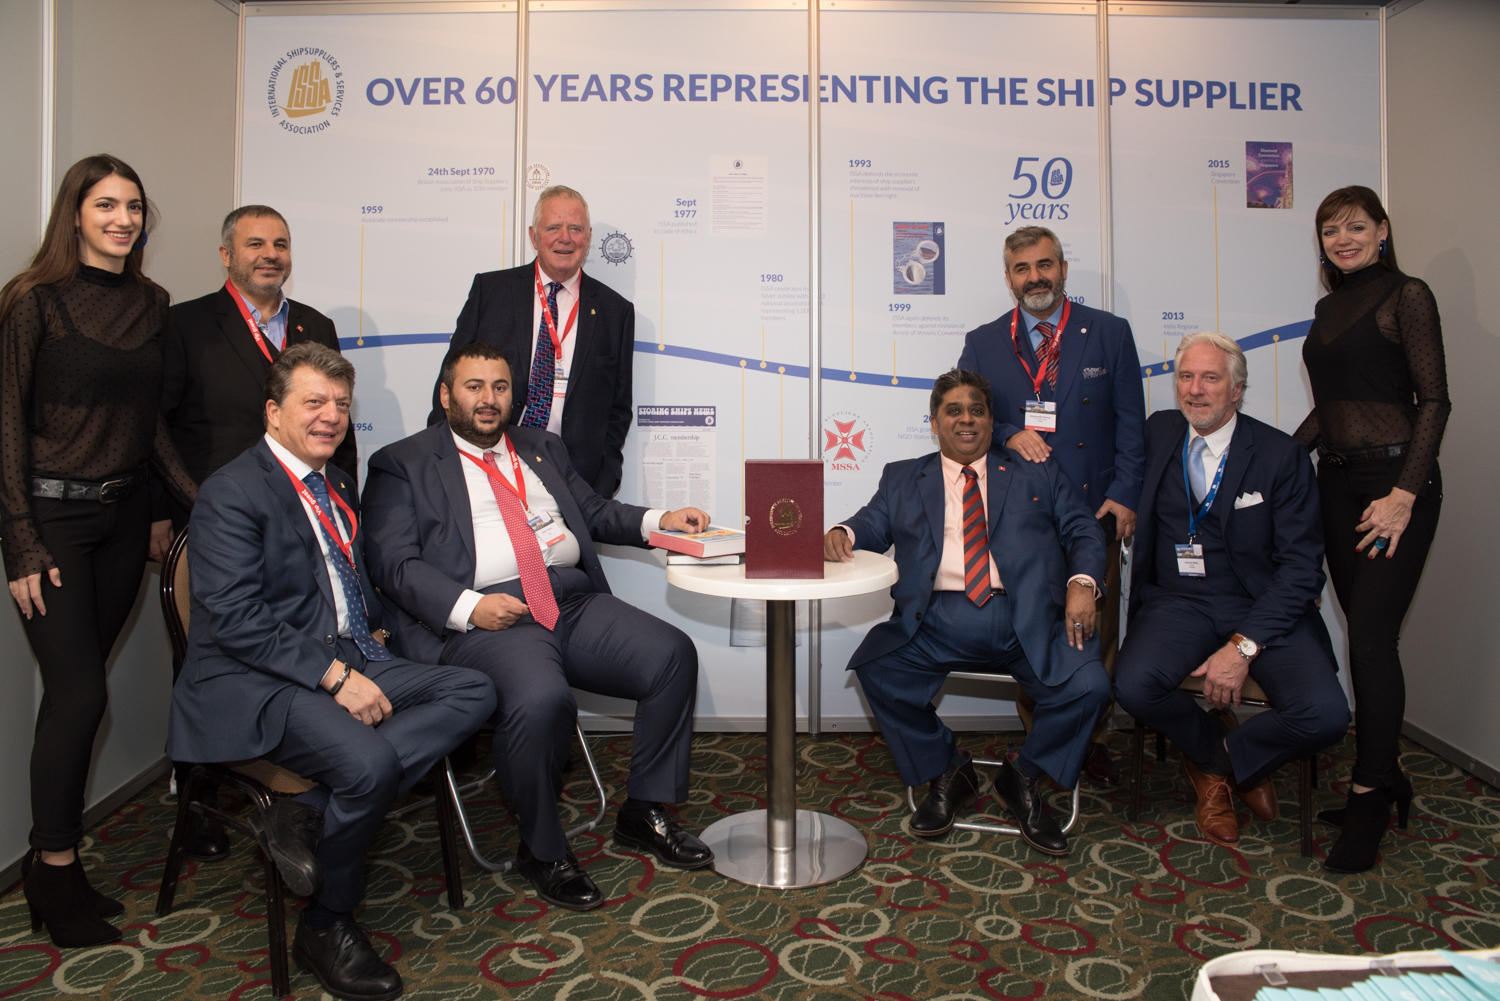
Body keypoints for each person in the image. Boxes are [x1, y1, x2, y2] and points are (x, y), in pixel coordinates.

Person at [166, 343, 493, 1000]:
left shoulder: (335, 483)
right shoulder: (232, 491)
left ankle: (309, 811)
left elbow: (343, 576)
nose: (331, 416)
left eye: (341, 403)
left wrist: (369, 631)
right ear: (273, 411)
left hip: (343, 655)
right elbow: (233, 618)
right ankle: (326, 923)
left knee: (474, 688)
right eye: (314, 401)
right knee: (368, 766)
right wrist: (336, 677)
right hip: (255, 679)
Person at [366, 342, 712, 910]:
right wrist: (468, 606)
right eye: (474, 386)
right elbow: (393, 564)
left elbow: (592, 512)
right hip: (488, 618)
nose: (488, 399)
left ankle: (643, 809)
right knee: (542, 698)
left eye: (500, 387)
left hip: (568, 599)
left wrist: (660, 520)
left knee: (670, 654)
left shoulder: (540, 446)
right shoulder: (402, 463)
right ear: (446, 395)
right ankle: (543, 849)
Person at [1, 154, 198, 947]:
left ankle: (58, 861)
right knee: (80, 693)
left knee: (79, 694)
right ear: (75, 214)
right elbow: (6, 422)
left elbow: (149, 426)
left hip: (124, 521)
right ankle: (52, 865)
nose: (123, 219)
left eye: (134, 206)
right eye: (106, 205)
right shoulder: (34, 300)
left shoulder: (152, 303)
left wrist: (201, 503)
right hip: (52, 521)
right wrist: (19, 539)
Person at [825, 368, 1108, 857]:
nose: (966, 420)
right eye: (953, 411)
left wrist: (1082, 582)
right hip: (936, 620)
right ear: (934, 422)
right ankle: (947, 768)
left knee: (1091, 687)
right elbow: (870, 523)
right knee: (877, 668)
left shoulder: (1035, 470)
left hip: (1028, 620)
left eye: (977, 410)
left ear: (992, 421)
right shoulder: (902, 476)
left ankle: (1023, 777)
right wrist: (842, 533)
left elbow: (1082, 529)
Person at [151, 203, 358, 865]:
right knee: (212, 646)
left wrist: (346, 509)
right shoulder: (186, 323)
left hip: (304, 509)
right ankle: (200, 795)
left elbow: (333, 424)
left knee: (304, 626)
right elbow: (158, 424)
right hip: (215, 507)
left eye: (281, 244)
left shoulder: (314, 325)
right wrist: (176, 507)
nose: (270, 254)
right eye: (255, 244)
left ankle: (305, 774)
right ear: (226, 255)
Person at [1114, 332, 1349, 848]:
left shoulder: (1281, 455)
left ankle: (1217, 766)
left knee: (1326, 715)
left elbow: (1301, 569)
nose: (1195, 389)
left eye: (1210, 378)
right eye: (1186, 377)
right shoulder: (1159, 432)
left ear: (1237, 390)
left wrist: (1242, 647)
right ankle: (1226, 751)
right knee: (1132, 685)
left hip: (1261, 606)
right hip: (1178, 603)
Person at [1294, 186, 1449, 873]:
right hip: (1336, 483)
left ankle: (1368, 798)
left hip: (1393, 484)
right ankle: (1386, 774)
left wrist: (1404, 495)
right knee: (1363, 634)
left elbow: (1434, 400)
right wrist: (1274, 460)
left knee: (1373, 640)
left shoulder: (1408, 294)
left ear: (1382, 230)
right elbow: (1331, 408)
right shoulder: (1328, 308)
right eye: (1331, 230)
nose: (1343, 239)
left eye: (1356, 226)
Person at [957, 226, 1145, 788]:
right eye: (1022, 268)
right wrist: (1007, 432)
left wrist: (1126, 492)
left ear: (1063, 268)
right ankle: (1041, 738)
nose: (1034, 277)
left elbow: (1131, 421)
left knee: (1096, 629)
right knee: (1033, 627)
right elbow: (964, 414)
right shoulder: (984, 341)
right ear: (1008, 277)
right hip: (1024, 513)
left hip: (1095, 507)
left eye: (1044, 265)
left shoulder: (1109, 332)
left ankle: (1094, 741)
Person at [429, 185, 633, 498]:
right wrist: (439, 463)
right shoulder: (491, 292)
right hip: (487, 467)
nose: (565, 238)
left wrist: (605, 480)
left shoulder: (615, 311)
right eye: (553, 228)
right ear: (533, 236)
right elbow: (450, 381)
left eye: (575, 228)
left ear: (588, 237)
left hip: (575, 481)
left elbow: (618, 410)